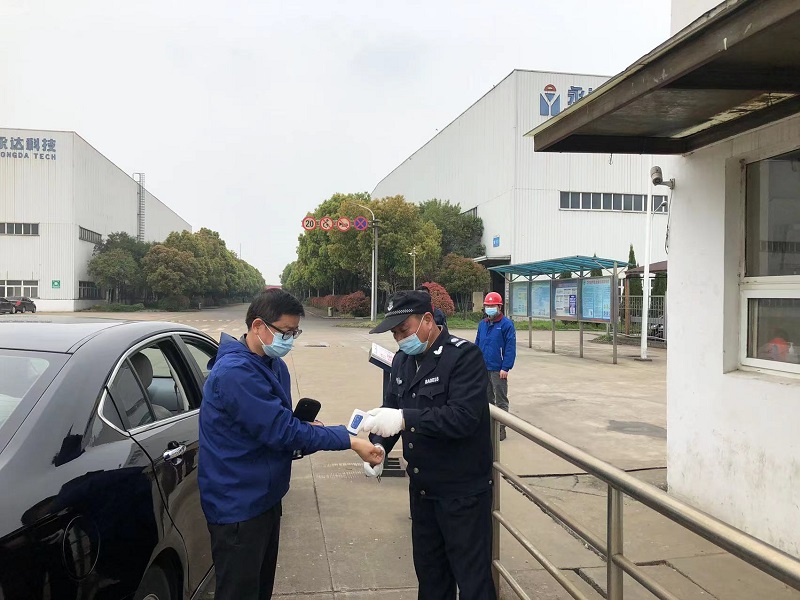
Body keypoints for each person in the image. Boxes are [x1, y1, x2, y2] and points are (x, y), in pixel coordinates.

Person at [199, 289, 383, 600]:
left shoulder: (272, 364)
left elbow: (278, 426)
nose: (289, 340)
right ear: (258, 326)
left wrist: (304, 430)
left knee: (260, 589)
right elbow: (282, 432)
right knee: (239, 592)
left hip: (266, 497)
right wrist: (349, 440)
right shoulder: (235, 374)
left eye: (295, 333)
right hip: (238, 505)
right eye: (285, 332)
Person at [360, 290, 496, 600]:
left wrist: (405, 418)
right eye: (394, 333)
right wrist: (377, 448)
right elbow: (391, 409)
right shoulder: (402, 361)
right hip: (423, 491)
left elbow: (462, 418)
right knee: (431, 577)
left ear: (427, 320)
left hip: (462, 494)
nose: (400, 338)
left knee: (473, 581)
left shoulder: (464, 357)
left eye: (404, 329)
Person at [475, 292, 516, 441]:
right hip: (483, 368)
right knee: (486, 399)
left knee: (501, 400)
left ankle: (501, 429)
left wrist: (506, 367)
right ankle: (489, 427)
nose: (489, 308)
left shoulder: (506, 325)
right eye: (487, 306)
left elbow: (510, 348)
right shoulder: (483, 324)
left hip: (498, 369)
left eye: (492, 306)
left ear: (499, 307)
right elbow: (477, 344)